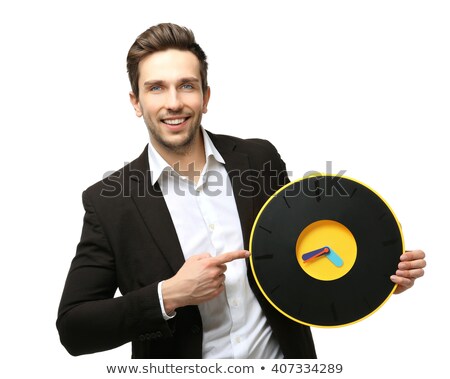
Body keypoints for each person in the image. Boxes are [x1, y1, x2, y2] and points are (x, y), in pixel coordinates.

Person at [56, 23, 426, 359]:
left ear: (206, 95)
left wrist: (371, 278)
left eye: (187, 85)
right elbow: (74, 328)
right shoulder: (110, 201)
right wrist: (169, 295)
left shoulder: (259, 159)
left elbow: (298, 259)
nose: (174, 102)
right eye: (156, 88)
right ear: (136, 102)